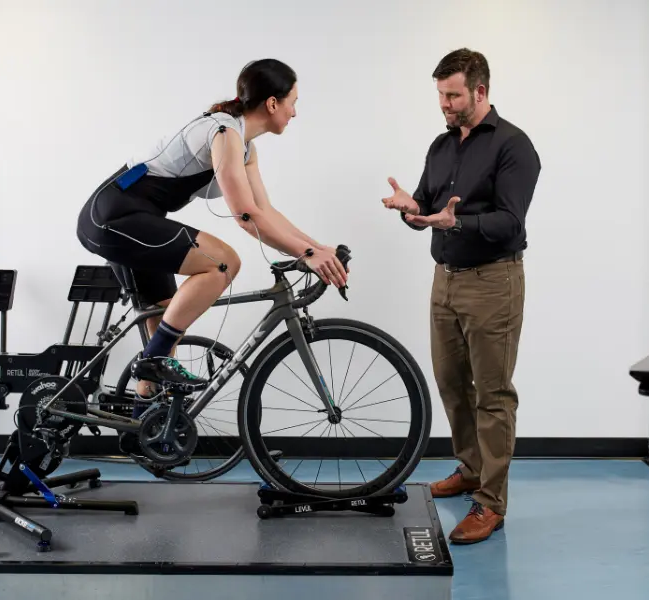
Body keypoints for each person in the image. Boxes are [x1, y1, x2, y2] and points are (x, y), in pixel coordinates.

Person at [76, 58, 349, 428]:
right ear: (272, 103)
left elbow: (264, 211)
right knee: (223, 262)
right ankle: (152, 361)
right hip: (112, 215)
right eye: (293, 102)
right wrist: (308, 253)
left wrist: (319, 250)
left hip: (140, 220)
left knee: (166, 320)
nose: (295, 112)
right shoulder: (224, 133)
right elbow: (246, 217)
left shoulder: (246, 147)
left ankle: (145, 430)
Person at [382, 48, 540, 544]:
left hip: (494, 281)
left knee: (493, 394)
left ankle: (491, 503)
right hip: (444, 279)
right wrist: (413, 208)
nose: (445, 104)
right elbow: (431, 206)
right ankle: (470, 468)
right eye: (440, 95)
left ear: (480, 91)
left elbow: (511, 220)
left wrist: (459, 221)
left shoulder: (515, 146)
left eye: (452, 95)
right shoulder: (441, 145)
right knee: (451, 383)